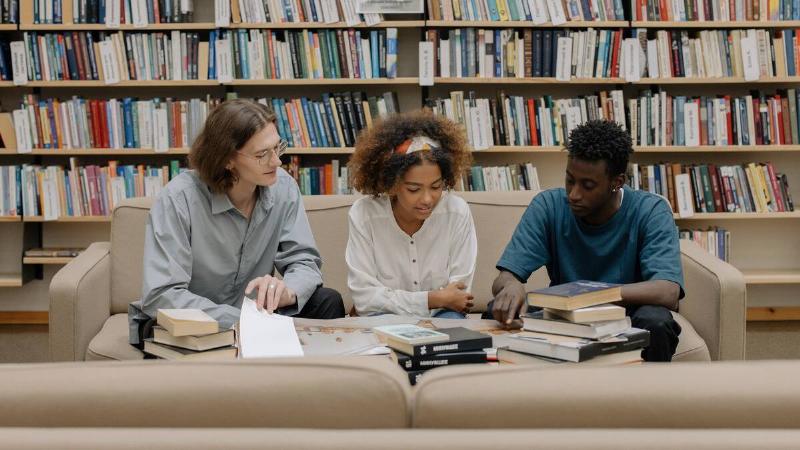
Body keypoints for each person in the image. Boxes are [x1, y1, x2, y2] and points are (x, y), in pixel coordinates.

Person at [129, 99, 345, 347]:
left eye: (278, 148)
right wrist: (244, 320)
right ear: (227, 159)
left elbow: (304, 261)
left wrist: (288, 290)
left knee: (327, 300)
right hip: (195, 320)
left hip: (256, 315)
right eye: (262, 154)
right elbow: (162, 295)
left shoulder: (283, 187)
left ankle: (312, 381)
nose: (276, 162)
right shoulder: (178, 199)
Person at [487, 120, 683, 362]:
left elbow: (667, 291)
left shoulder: (651, 210)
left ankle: (650, 398)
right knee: (497, 310)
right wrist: (511, 286)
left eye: (588, 185)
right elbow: (505, 278)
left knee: (656, 321)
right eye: (570, 180)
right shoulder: (548, 206)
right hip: (565, 315)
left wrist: (590, 295)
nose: (574, 194)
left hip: (627, 315)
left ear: (617, 182)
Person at [345, 110, 477, 318]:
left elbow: (458, 297)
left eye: (436, 186)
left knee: (453, 326)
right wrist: (433, 299)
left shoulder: (457, 212)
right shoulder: (364, 215)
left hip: (443, 315)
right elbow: (365, 299)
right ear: (392, 185)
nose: (427, 199)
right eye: (414, 189)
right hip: (384, 318)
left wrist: (439, 301)